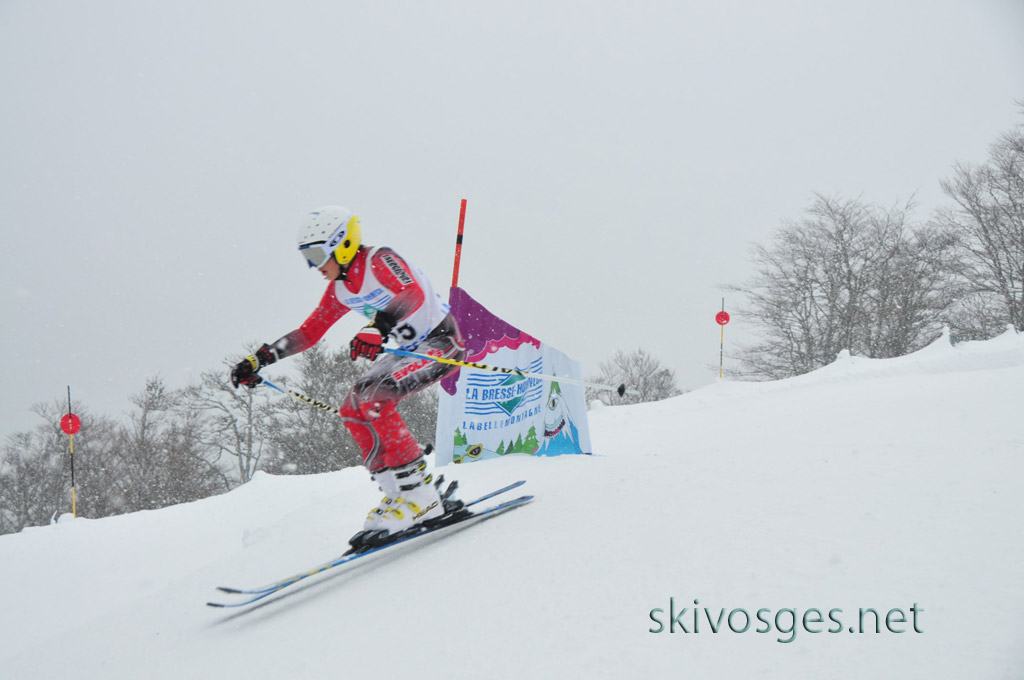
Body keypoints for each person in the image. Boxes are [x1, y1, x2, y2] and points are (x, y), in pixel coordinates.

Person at [230, 205, 467, 547]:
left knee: (375, 398)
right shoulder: (340, 288)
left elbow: (411, 292)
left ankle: (422, 495)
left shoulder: (379, 260)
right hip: (408, 350)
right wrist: (261, 358)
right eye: (306, 257)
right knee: (352, 407)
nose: (313, 266)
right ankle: (397, 493)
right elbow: (310, 332)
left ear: (341, 244)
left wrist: (378, 327)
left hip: (442, 343)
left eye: (315, 255)